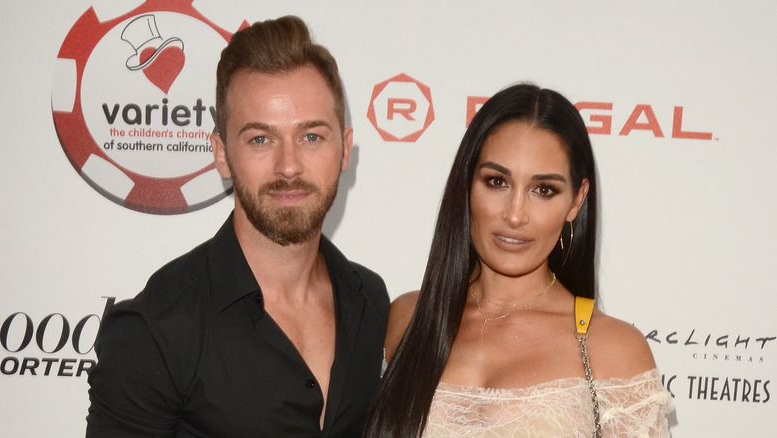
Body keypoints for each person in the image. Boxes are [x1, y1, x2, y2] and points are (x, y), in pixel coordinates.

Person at [86, 16, 389, 437]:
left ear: (344, 149)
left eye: (312, 137)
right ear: (222, 154)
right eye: (260, 139)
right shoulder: (155, 329)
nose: (288, 166)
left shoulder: (370, 301)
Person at [363, 83, 673, 437]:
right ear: (467, 184)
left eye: (544, 190)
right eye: (496, 182)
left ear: (576, 200)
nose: (515, 215)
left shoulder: (615, 350)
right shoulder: (407, 318)